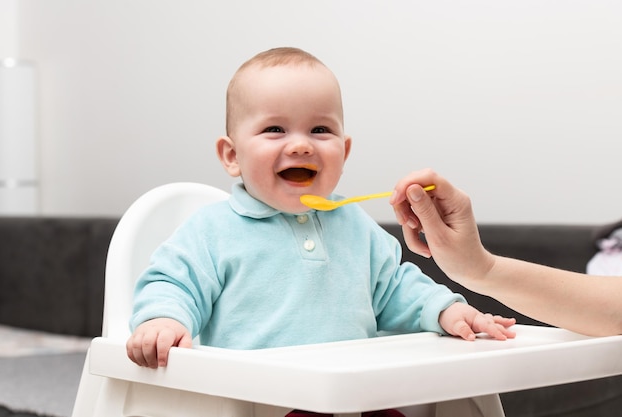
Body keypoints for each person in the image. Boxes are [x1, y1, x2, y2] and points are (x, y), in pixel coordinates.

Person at [126, 47, 516, 376]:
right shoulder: (211, 231)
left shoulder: (356, 229)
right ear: (232, 155)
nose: (300, 146)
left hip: (352, 392)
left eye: (319, 130)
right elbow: (173, 283)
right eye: (275, 129)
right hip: (255, 397)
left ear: (343, 153)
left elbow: (396, 289)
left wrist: (446, 310)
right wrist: (163, 320)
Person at [390, 169, 622, 337]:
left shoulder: (367, 239)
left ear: (350, 150)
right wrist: (481, 270)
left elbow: (395, 288)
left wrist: (444, 309)